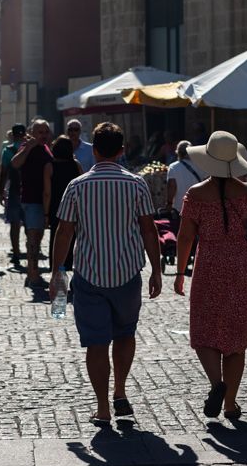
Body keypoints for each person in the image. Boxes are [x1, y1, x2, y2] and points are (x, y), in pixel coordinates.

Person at [49, 122, 165, 425]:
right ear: (121, 150)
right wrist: (156, 270)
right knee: (125, 334)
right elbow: (148, 230)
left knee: (96, 342)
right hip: (127, 272)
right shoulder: (136, 184)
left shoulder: (77, 186)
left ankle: (102, 407)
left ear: (95, 150)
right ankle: (120, 391)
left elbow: (64, 232)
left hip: (89, 274)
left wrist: (57, 272)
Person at [173, 132, 247, 419]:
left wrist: (180, 272)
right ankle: (230, 403)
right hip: (242, 265)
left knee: (204, 331)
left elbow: (185, 236)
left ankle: (217, 384)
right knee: (237, 338)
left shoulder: (195, 195)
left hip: (209, 264)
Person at [10, 118, 55, 286]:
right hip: (32, 199)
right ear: (32, 133)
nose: (44, 135)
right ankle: (33, 274)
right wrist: (28, 147)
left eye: (46, 132)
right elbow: (15, 163)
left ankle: (31, 273)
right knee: (34, 238)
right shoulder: (27, 146)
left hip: (43, 199)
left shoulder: (46, 148)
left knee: (37, 237)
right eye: (40, 132)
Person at [45, 136, 83, 268]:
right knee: (73, 237)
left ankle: (58, 267)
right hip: (74, 206)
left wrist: (45, 214)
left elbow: (47, 193)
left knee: (56, 236)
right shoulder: (76, 165)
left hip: (56, 207)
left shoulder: (50, 167)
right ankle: (70, 264)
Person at [0, 123, 25, 264]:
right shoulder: (29, 149)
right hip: (29, 190)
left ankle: (16, 252)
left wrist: (1, 191)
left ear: (12, 135)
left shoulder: (7, 150)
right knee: (29, 224)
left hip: (14, 190)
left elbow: (3, 173)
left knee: (15, 223)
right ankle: (31, 249)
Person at [165, 139, 203, 226]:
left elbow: (172, 186)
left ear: (178, 153)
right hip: (198, 205)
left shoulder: (173, 167)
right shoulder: (200, 165)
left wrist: (169, 203)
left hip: (180, 206)